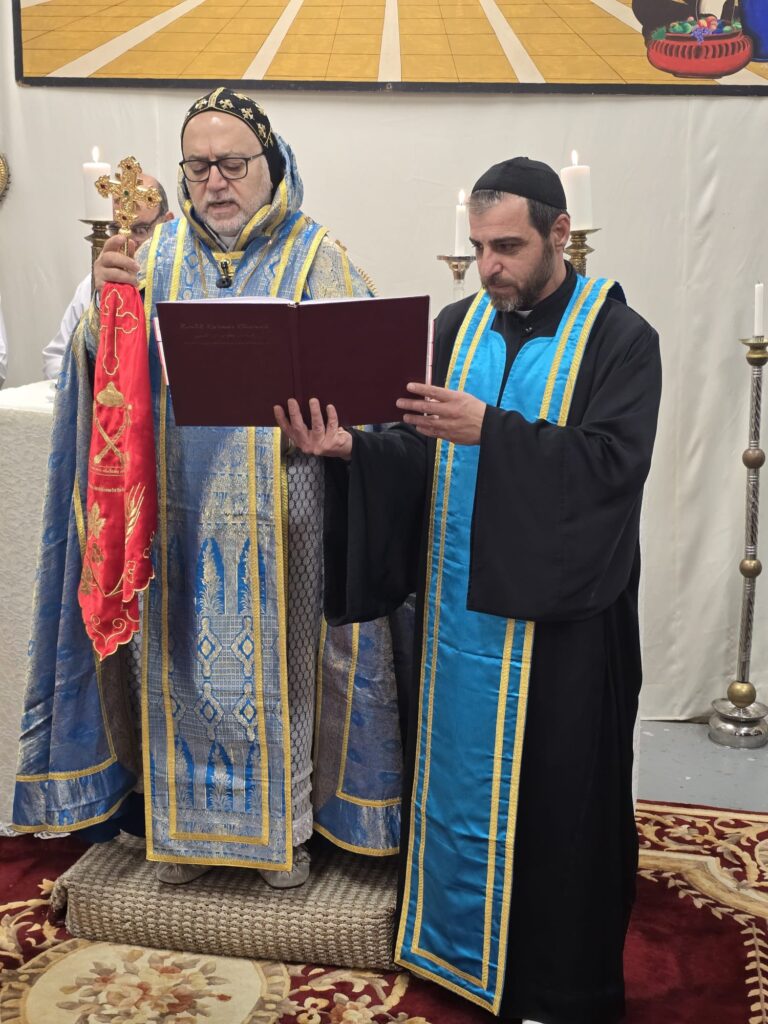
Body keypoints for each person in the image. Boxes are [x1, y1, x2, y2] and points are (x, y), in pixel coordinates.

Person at [276, 157, 662, 1023]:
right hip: (458, 620)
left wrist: (496, 431)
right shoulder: (456, 326)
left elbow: (613, 467)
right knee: (454, 790)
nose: (489, 267)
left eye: (509, 248)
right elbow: (420, 453)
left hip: (560, 630)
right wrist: (352, 450)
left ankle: (557, 986)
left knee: (560, 804)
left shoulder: (620, 338)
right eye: (480, 247)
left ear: (560, 235)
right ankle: (455, 952)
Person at [14, 88, 405, 889]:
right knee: (180, 672)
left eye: (231, 163)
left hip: (290, 510)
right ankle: (186, 833)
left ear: (272, 164)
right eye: (198, 167)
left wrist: (344, 432)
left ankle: (284, 835)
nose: (215, 181)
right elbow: (96, 379)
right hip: (178, 517)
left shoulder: (320, 258)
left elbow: (374, 385)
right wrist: (104, 314)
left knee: (289, 675)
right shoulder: (149, 258)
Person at [42, 176, 173, 380]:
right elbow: (55, 359)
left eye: (139, 230)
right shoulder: (94, 285)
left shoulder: (180, 280)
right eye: (116, 229)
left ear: (167, 222)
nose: (127, 243)